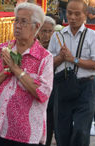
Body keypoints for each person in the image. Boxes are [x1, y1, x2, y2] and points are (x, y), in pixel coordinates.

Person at [0, 2, 54, 145]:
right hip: (0, 127)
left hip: (26, 132)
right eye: (16, 20)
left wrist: (16, 70)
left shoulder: (44, 57)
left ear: (37, 27)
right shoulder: (2, 50)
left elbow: (42, 93)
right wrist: (6, 71)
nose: (18, 25)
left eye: (23, 21)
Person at [48, 0, 95, 146]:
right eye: (69, 13)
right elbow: (48, 64)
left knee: (81, 130)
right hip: (63, 86)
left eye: (77, 14)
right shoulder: (58, 35)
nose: (72, 17)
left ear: (85, 14)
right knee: (62, 131)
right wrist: (60, 58)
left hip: (85, 87)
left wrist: (74, 59)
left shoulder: (92, 36)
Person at [36, 16, 56, 146]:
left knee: (49, 122)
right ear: (37, 31)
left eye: (50, 31)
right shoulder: (33, 46)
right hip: (35, 90)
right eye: (44, 31)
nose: (47, 35)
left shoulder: (58, 47)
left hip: (53, 92)